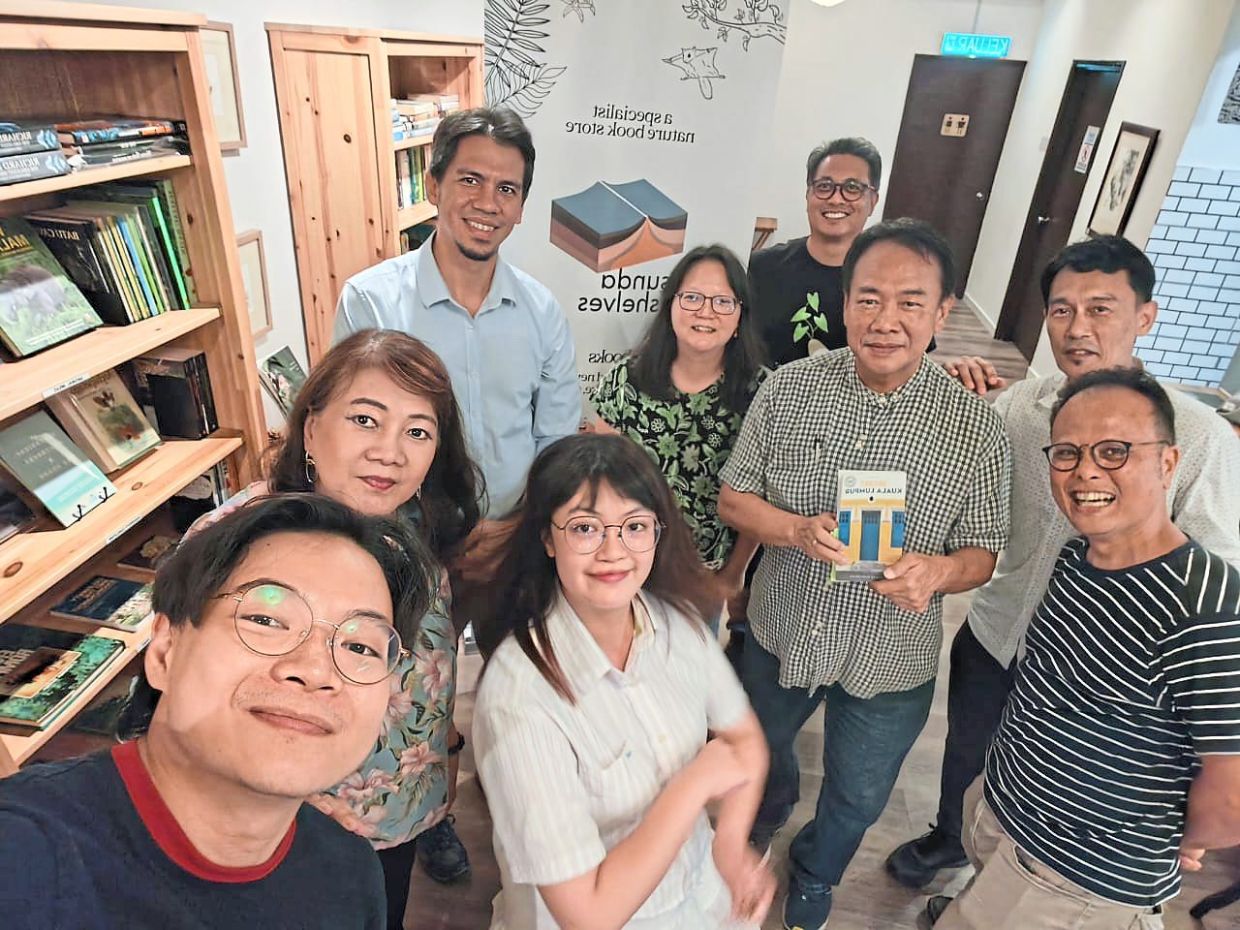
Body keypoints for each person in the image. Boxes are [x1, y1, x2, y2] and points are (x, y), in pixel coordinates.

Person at [887, 235, 1240, 895]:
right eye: (1061, 310)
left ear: (1145, 317)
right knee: (969, 755)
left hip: (1100, 672)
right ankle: (950, 840)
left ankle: (994, 890)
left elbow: (1213, 573)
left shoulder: (1192, 437)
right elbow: (950, 452)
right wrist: (957, 384)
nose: (1078, 329)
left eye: (1101, 310)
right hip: (998, 630)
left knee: (1057, 796)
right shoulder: (1024, 405)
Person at [718, 217, 1012, 930]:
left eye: (911, 302)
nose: (886, 320)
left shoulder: (977, 427)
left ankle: (817, 871)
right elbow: (734, 495)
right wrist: (793, 529)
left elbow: (984, 552)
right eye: (869, 298)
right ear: (845, 302)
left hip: (891, 655)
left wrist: (938, 572)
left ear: (942, 313)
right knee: (761, 755)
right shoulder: (788, 388)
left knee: (858, 793)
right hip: (782, 628)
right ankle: (760, 822)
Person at [0, 494, 433, 928]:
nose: (316, 670)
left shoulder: (351, 873)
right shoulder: (26, 861)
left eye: (359, 646)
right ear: (166, 651)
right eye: (266, 620)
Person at [188, 329, 483, 923]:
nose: (389, 452)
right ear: (311, 429)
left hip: (392, 823)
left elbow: (428, 685)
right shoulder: (235, 541)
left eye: (417, 432)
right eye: (365, 420)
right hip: (272, 837)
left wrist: (445, 760)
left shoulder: (417, 537)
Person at [933, 367, 1240, 930]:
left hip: (1076, 878)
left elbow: (1232, 799)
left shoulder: (1208, 606)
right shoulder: (1077, 556)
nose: (1086, 471)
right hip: (1008, 811)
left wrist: (1165, 840)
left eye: (1115, 451)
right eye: (1067, 453)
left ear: (1168, 463)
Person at [472, 434, 775, 929]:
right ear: (547, 539)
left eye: (635, 526)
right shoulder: (519, 701)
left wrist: (729, 844)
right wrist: (692, 786)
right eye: (585, 528)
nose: (614, 552)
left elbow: (743, 741)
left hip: (701, 901)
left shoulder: (676, 626)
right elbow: (588, 915)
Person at [334, 106, 581, 525]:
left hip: (513, 538)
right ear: (433, 186)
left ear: (521, 208)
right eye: (470, 180)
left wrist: (520, 530)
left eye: (506, 189)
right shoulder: (371, 301)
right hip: (404, 538)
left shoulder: (541, 311)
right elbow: (353, 435)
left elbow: (555, 441)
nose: (487, 203)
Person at [590, 244, 767, 627]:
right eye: (692, 298)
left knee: (681, 680)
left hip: (703, 577)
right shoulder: (628, 380)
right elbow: (600, 481)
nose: (705, 311)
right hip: (623, 568)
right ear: (670, 306)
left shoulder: (761, 392)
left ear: (740, 317)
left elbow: (757, 498)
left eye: (723, 301)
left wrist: (732, 575)